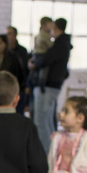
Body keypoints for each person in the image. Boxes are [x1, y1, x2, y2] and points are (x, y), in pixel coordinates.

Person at [29, 17, 71, 152]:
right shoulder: (61, 43)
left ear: (56, 28)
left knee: (41, 121)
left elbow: (46, 59)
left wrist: (34, 63)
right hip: (50, 85)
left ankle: (46, 153)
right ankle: (52, 150)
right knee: (46, 120)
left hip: (47, 85)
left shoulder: (60, 44)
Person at [7, 26, 31, 113]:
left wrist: (27, 85)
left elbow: (25, 70)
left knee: (19, 111)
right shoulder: (5, 51)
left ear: (15, 35)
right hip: (7, 86)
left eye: (10, 34)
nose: (8, 36)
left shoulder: (22, 51)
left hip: (19, 86)